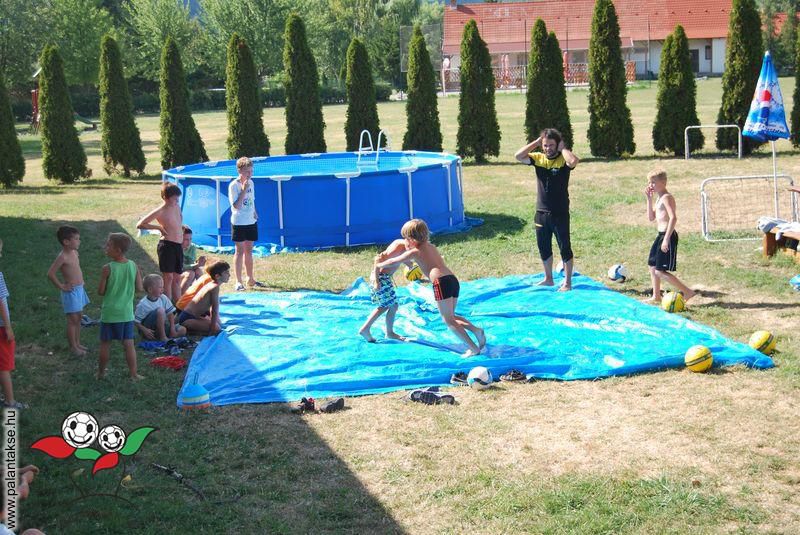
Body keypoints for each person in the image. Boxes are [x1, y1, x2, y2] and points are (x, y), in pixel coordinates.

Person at [376, 219, 485, 357]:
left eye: (406, 238)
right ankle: (476, 330)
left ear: (412, 238)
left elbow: (394, 261)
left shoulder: (415, 252)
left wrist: (379, 264)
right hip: (452, 280)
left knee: (448, 320)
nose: (405, 241)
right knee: (451, 316)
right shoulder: (432, 247)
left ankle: (473, 348)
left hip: (441, 283)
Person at [514, 128, 580, 291]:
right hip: (541, 212)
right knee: (543, 246)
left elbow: (573, 162)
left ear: (557, 145)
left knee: (564, 247)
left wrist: (563, 149)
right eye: (545, 145)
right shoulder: (539, 158)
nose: (548, 148)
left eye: (551, 145)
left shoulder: (563, 160)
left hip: (559, 212)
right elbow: (518, 156)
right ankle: (548, 278)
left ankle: (567, 283)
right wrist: (536, 143)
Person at [98, 233, 143, 381]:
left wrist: (104, 278)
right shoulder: (133, 265)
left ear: (117, 250)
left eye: (108, 245)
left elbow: (101, 291)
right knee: (129, 344)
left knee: (105, 344)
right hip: (126, 313)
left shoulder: (107, 268)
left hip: (109, 313)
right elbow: (139, 288)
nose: (106, 247)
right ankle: (134, 374)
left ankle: (101, 374)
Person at [645, 170, 695, 303]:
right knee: (652, 266)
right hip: (660, 235)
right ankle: (656, 295)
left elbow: (673, 218)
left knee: (659, 271)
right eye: (649, 182)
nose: (651, 185)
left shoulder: (667, 197)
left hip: (668, 235)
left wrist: (666, 239)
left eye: (653, 182)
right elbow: (651, 217)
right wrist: (649, 199)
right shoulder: (659, 198)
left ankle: (688, 292)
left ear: (663, 182)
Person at [136, 182, 184, 302]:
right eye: (175, 199)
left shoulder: (176, 207)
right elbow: (140, 224)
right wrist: (159, 228)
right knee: (168, 278)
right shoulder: (160, 211)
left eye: (178, 198)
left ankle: (178, 305)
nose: (177, 201)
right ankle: (167, 305)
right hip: (167, 246)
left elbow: (178, 223)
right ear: (165, 198)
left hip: (178, 245)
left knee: (177, 278)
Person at [46, 225, 89, 356]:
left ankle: (77, 343)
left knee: (79, 317)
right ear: (66, 241)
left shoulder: (75, 253)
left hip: (79, 289)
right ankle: (73, 347)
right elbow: (50, 273)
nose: (79, 241)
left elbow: (76, 269)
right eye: (76, 239)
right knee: (72, 320)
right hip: (70, 292)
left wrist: (81, 281)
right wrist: (61, 286)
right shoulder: (63, 257)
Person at [358, 239, 411, 343]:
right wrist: (376, 281)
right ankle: (366, 329)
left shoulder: (405, 247)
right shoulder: (399, 245)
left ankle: (388, 332)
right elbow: (378, 259)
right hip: (381, 278)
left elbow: (401, 258)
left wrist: (409, 264)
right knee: (386, 305)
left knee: (392, 305)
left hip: (384, 278)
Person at [228, 157, 264, 291]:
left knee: (249, 251)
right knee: (239, 251)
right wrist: (243, 190)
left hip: (250, 221)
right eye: (247, 171)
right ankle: (238, 281)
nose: (250, 174)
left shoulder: (251, 183)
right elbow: (236, 206)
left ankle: (250, 278)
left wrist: (254, 212)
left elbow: (251, 199)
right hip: (239, 222)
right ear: (239, 171)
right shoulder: (233, 185)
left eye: (251, 171)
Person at [0, 239, 25, 409]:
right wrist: (8, 327)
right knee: (4, 366)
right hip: (1, 328)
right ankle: (10, 402)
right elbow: (1, 302)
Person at [177, 261, 231, 336]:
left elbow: (212, 308)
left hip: (192, 316)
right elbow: (214, 310)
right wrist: (213, 328)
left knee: (217, 324)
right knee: (217, 329)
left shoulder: (212, 284)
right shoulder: (214, 287)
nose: (229, 275)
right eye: (226, 272)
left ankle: (193, 328)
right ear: (217, 276)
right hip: (187, 319)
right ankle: (188, 330)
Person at [135, 274, 186, 341]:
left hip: (162, 327)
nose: (162, 289)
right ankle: (163, 337)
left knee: (183, 330)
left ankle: (169, 338)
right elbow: (136, 322)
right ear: (150, 289)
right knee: (161, 311)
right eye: (160, 287)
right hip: (150, 331)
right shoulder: (143, 304)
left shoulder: (163, 298)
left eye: (163, 287)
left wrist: (172, 328)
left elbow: (170, 314)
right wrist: (145, 330)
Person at [180, 225, 206, 292]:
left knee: (198, 271)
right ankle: (180, 297)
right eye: (186, 239)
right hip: (176, 275)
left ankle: (203, 295)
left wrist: (199, 262)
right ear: (179, 238)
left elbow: (192, 263)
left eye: (190, 239)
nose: (189, 242)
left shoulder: (192, 247)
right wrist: (197, 265)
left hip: (187, 271)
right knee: (190, 274)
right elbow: (180, 267)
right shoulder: (175, 248)